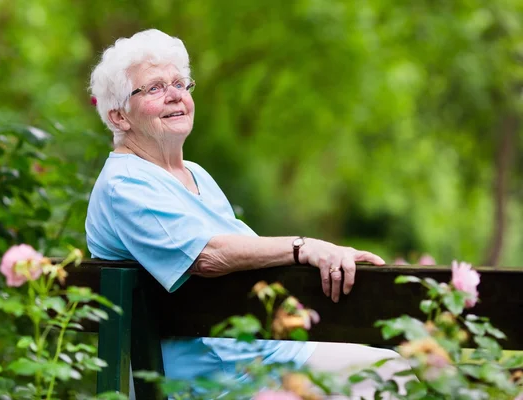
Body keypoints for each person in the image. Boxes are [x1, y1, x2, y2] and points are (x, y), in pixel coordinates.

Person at [85, 29, 411, 399]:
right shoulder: (125, 184)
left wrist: (330, 254)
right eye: (155, 88)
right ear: (119, 116)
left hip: (259, 353)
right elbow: (208, 256)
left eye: (180, 83)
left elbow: (248, 250)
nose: (176, 95)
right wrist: (304, 247)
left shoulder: (193, 174)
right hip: (214, 377)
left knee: (403, 369)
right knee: (394, 376)